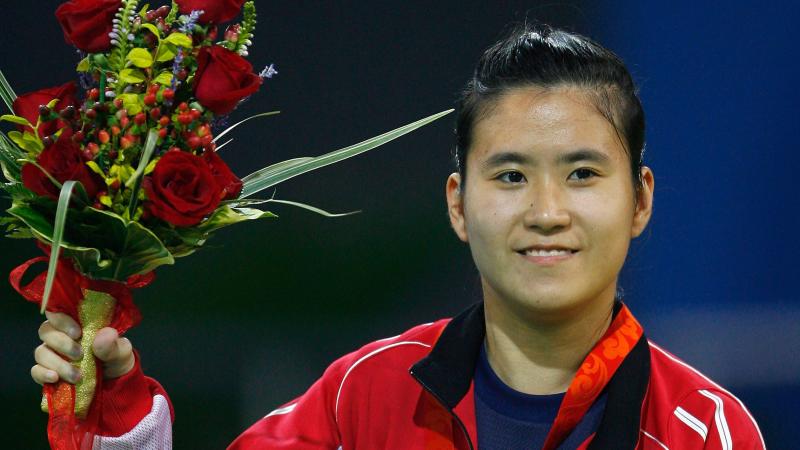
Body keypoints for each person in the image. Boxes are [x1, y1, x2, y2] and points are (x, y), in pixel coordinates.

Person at [31, 23, 765, 449]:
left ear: (639, 201)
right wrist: (118, 412)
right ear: (458, 203)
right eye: (510, 177)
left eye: (582, 174)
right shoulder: (364, 397)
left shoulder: (705, 430)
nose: (547, 211)